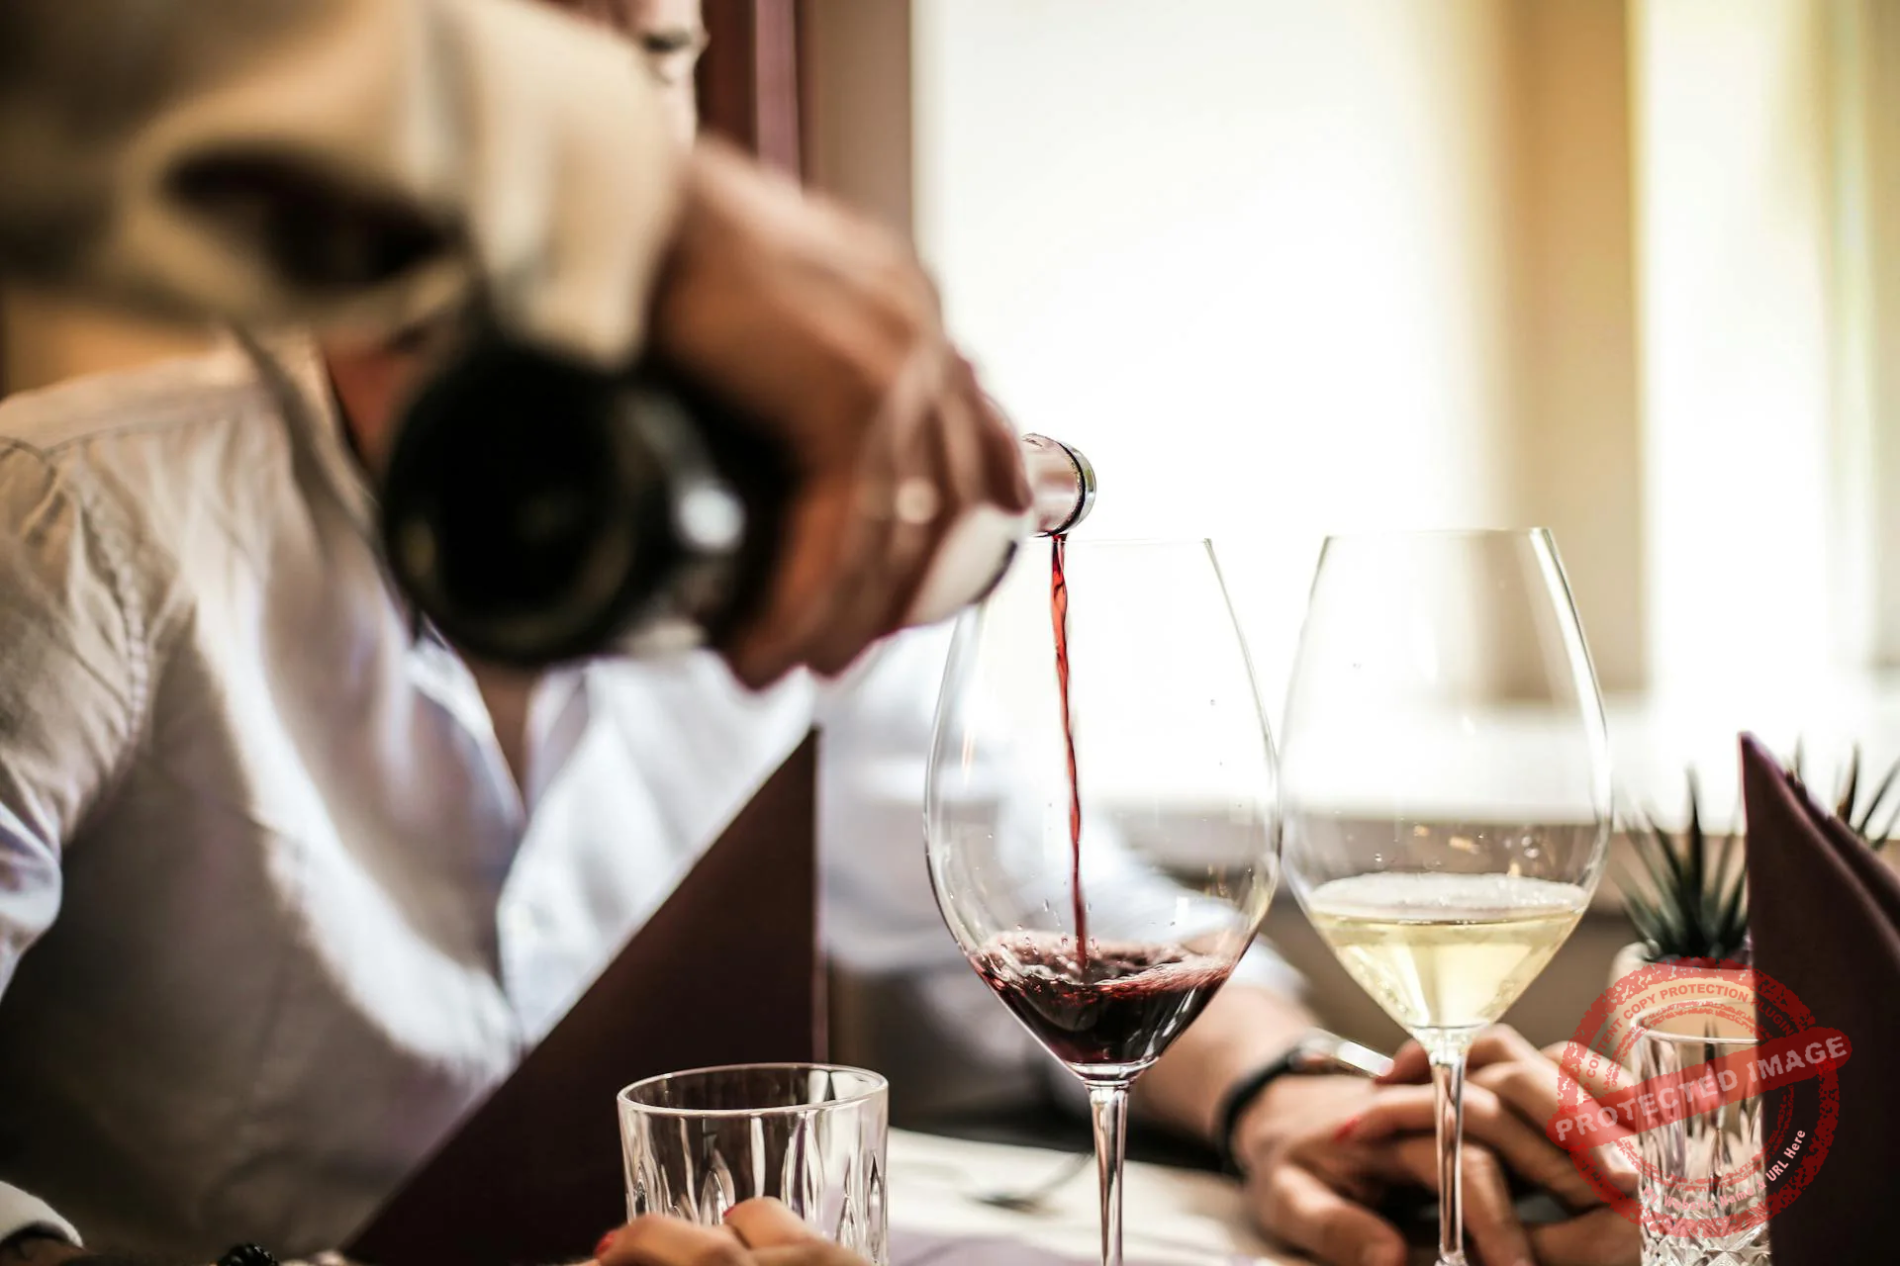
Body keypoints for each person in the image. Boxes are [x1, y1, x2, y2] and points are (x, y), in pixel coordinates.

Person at [0, 6, 1636, 1266]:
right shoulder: (69, 520)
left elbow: (1039, 905)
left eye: (653, 50)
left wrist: (1290, 1097)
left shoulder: (785, 523)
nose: (614, 137)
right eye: (517, 60)